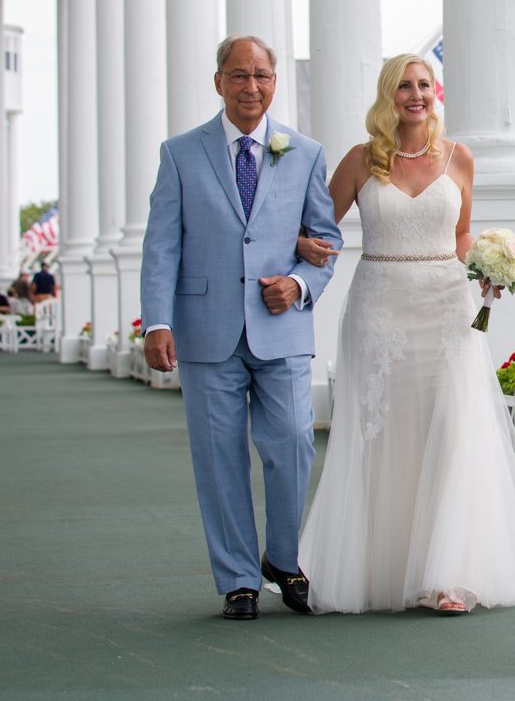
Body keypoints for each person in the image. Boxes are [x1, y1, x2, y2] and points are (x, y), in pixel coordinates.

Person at [295, 53, 515, 614]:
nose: (416, 94)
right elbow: (317, 228)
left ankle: (449, 574)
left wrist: (489, 272)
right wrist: (303, 250)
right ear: (388, 95)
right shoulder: (361, 160)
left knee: (452, 429)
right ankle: (384, 568)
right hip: (379, 309)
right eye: (404, 86)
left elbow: (461, 233)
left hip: (448, 308)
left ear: (435, 91)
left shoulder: (460, 158)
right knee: (385, 434)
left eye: (424, 84)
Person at [141, 35, 342, 621]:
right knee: (218, 456)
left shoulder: (303, 152)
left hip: (281, 330)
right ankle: (237, 580)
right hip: (205, 329)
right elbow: (162, 243)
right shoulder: (180, 153)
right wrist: (156, 320)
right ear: (219, 82)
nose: (250, 86)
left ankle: (283, 558)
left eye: (261, 75)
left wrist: (300, 285)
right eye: (238, 75)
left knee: (294, 443)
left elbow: (325, 245)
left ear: (274, 81)